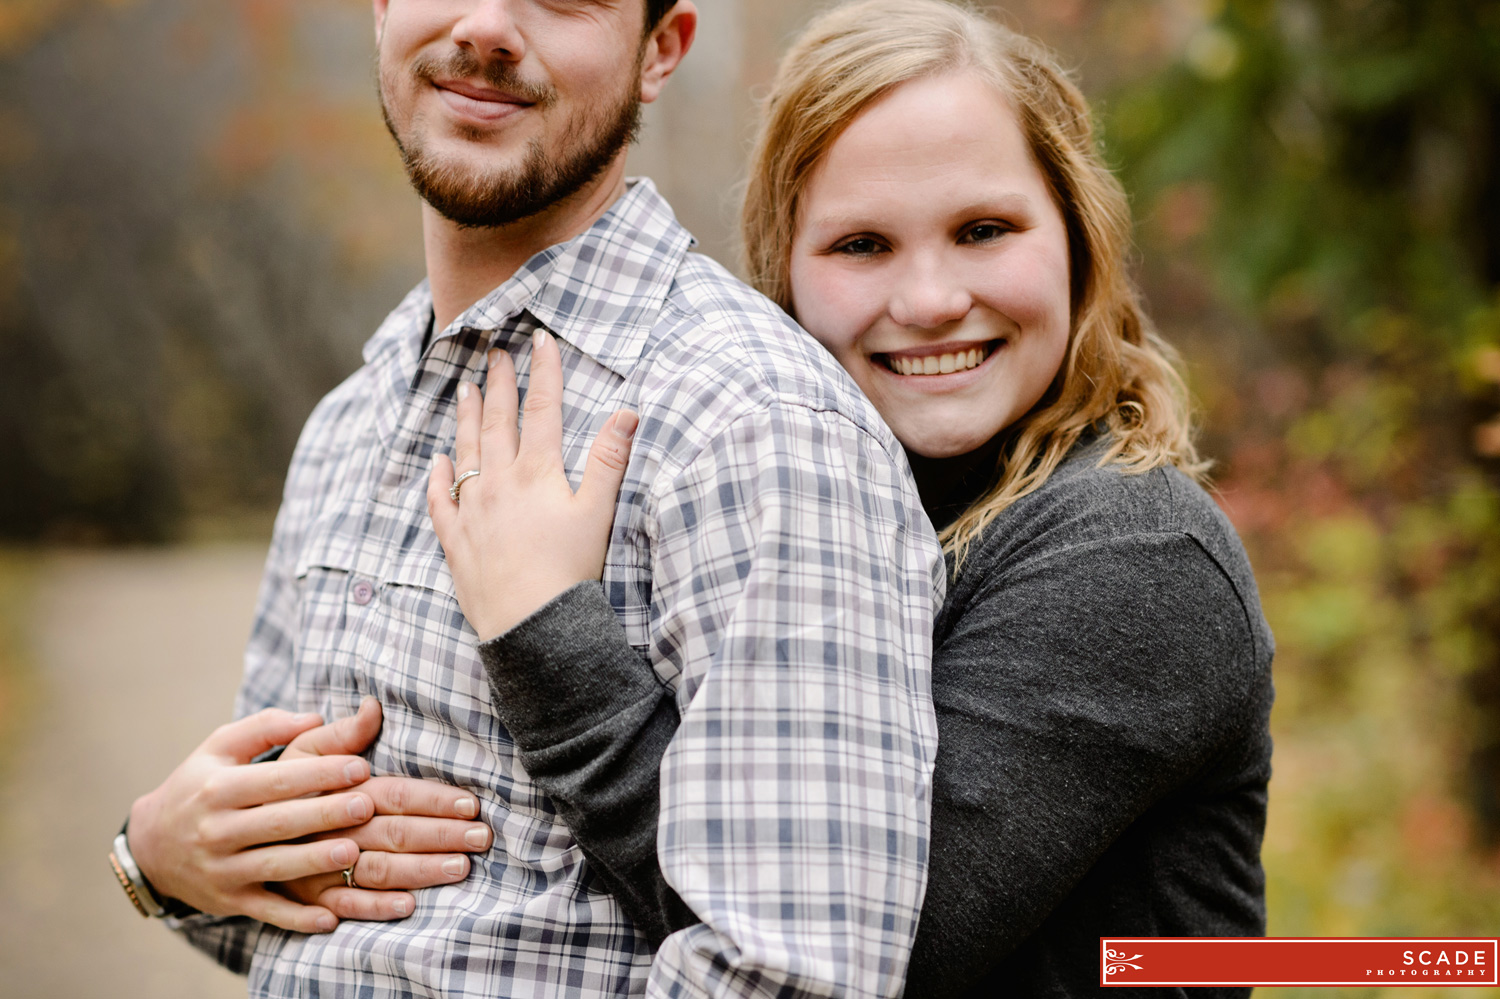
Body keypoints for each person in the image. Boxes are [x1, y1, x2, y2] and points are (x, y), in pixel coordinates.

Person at [427, 2, 1275, 997]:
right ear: (781, 275)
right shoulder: (793, 500)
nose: (927, 300)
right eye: (862, 245)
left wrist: (548, 640)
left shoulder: (1133, 555)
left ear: (1080, 237)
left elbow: (842, 942)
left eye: (984, 229)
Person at [113, 1, 945, 997]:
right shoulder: (351, 421)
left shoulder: (752, 420)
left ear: (661, 50)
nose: (489, 25)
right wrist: (155, 861)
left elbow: (797, 976)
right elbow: (296, 923)